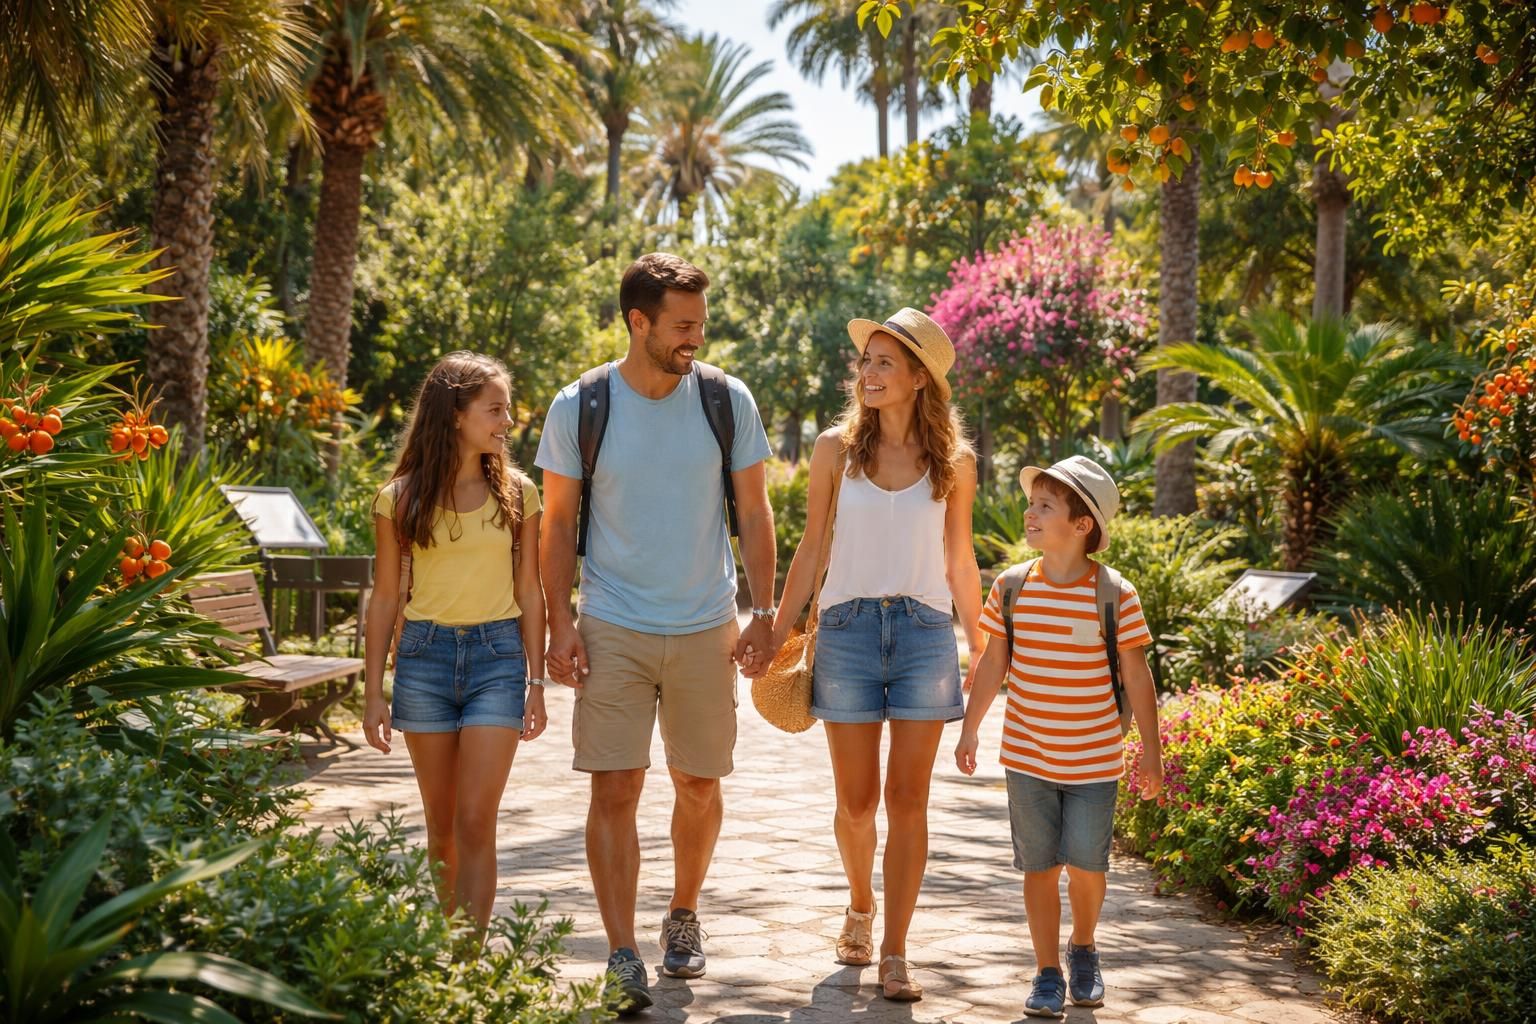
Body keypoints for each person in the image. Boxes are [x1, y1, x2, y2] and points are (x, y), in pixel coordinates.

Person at [535, 253, 776, 1014]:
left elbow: (757, 511)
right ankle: (620, 952)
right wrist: (560, 620)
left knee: (700, 784)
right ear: (637, 322)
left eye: (700, 324)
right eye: (681, 325)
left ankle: (682, 913)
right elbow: (557, 523)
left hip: (707, 623)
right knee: (616, 785)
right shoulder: (581, 405)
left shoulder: (725, 400)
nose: (694, 339)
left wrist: (763, 611)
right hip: (613, 624)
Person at [771, 307, 983, 1002]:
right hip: (850, 633)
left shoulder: (955, 462)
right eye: (866, 362)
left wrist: (981, 642)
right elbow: (811, 548)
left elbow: (960, 560)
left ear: (920, 378)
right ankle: (860, 904)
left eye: (886, 362)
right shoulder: (836, 450)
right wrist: (775, 631)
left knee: (908, 801)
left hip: (924, 635)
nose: (869, 373)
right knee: (858, 803)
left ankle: (895, 949)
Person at [954, 455, 1164, 1018]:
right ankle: (1047, 970)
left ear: (1082, 525)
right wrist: (971, 728)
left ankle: (1084, 946)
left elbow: (1137, 677)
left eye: (1046, 505)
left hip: (1096, 759)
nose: (1031, 512)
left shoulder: (1115, 593)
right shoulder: (1013, 586)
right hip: (1027, 755)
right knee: (1040, 868)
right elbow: (994, 662)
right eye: (1033, 502)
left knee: (1088, 869)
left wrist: (1152, 754)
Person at [362, 351, 548, 940]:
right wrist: (372, 692)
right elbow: (386, 598)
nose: (506, 422)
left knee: (475, 820)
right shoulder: (399, 498)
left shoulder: (519, 494)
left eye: (507, 410)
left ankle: (469, 963)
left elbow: (532, 590)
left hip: (498, 661)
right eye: (495, 410)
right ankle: (447, 955)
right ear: (455, 414)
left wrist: (537, 682)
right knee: (440, 825)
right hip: (424, 661)